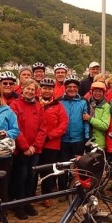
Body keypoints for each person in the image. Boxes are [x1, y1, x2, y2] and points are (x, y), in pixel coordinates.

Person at [10, 79, 47, 219]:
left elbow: (43, 128)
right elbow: (15, 128)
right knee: (21, 177)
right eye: (28, 88)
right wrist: (25, 146)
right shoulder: (15, 105)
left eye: (33, 89)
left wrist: (35, 146)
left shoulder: (39, 106)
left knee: (31, 178)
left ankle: (28, 202)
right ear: (22, 89)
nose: (30, 91)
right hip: (21, 149)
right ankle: (18, 205)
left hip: (35, 149)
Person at [38, 78, 69, 208]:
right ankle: (30, 196)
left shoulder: (58, 105)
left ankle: (47, 196)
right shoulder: (35, 103)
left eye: (49, 88)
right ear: (40, 89)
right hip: (35, 143)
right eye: (44, 88)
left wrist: (50, 136)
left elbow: (63, 124)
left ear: (53, 90)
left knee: (48, 171)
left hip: (51, 143)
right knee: (33, 171)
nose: (47, 91)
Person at [59, 75, 90, 195]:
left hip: (79, 139)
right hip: (63, 139)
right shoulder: (59, 101)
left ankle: (78, 188)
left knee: (79, 166)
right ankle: (63, 191)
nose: (72, 89)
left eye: (74, 87)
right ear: (65, 88)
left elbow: (86, 120)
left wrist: (86, 137)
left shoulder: (83, 101)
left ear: (78, 88)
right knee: (63, 166)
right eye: (69, 87)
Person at [82, 81, 111, 149]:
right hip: (85, 141)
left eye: (100, 91)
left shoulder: (106, 106)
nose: (97, 93)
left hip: (98, 143)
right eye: (95, 91)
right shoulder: (85, 103)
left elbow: (104, 125)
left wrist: (90, 119)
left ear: (104, 93)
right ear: (92, 92)